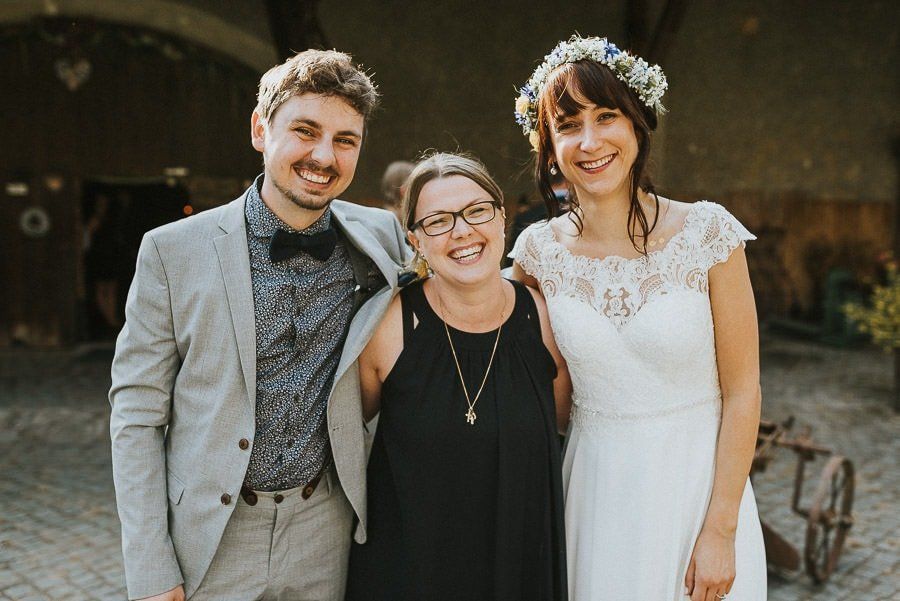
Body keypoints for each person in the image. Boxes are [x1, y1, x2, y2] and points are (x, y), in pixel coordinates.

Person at [109, 49, 410, 601]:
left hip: (328, 526)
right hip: (214, 534)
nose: (324, 155)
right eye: (305, 130)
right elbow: (136, 415)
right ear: (259, 129)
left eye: (346, 140)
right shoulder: (171, 252)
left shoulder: (382, 239)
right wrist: (152, 566)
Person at [510, 36, 767, 601]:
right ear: (549, 146)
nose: (590, 141)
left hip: (697, 489)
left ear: (638, 126)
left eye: (608, 117)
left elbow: (745, 390)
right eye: (569, 124)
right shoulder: (536, 253)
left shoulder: (709, 234)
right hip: (595, 493)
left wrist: (720, 530)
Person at [346, 152, 571, 601]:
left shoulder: (545, 320)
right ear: (415, 239)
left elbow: (562, 427)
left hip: (519, 565)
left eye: (476, 211)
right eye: (438, 221)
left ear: (502, 216)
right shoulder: (386, 329)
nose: (462, 231)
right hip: (411, 573)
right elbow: (344, 438)